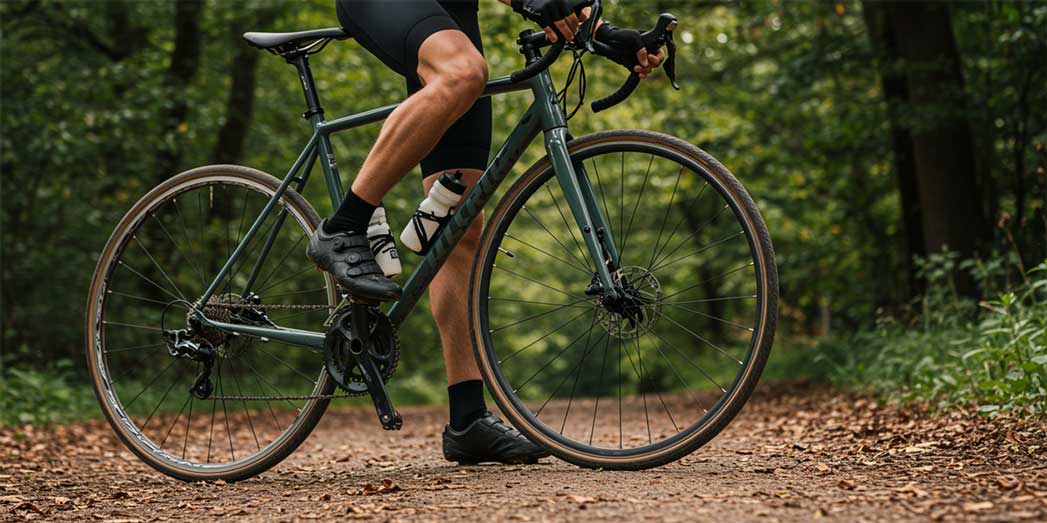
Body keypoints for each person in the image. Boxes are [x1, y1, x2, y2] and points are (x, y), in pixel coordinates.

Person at [307, 0, 664, 465]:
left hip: (448, 16)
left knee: (460, 229)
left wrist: (605, 33)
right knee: (463, 72)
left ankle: (468, 420)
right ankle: (346, 225)